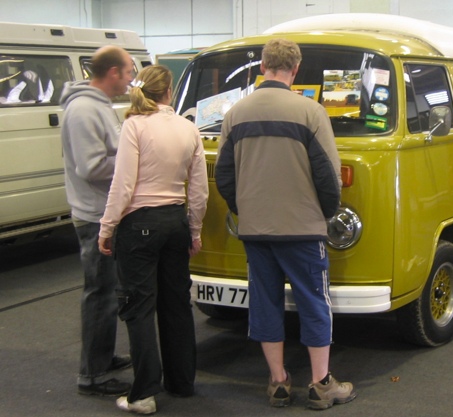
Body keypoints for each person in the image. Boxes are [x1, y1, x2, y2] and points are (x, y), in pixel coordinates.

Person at [215, 38, 357, 410]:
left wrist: (244, 209)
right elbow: (329, 178)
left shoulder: (235, 114)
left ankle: (278, 382)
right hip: (303, 229)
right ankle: (321, 384)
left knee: (264, 302)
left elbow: (224, 176)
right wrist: (323, 214)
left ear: (263, 66)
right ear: (296, 70)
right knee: (314, 301)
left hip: (256, 230)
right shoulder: (311, 113)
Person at [98, 64, 209, 415]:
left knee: (139, 308)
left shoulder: (134, 126)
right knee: (176, 304)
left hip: (139, 225)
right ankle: (182, 382)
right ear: (169, 92)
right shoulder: (189, 128)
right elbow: (199, 191)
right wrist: (195, 230)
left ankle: (144, 393)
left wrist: (107, 226)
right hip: (175, 221)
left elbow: (124, 184)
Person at [60, 45, 134, 397]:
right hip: (93, 217)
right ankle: (92, 375)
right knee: (100, 296)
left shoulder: (101, 107)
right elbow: (90, 167)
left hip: (105, 213)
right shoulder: (84, 110)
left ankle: (102, 358)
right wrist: (132, 168)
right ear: (113, 72)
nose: (132, 79)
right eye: (130, 71)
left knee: (108, 293)